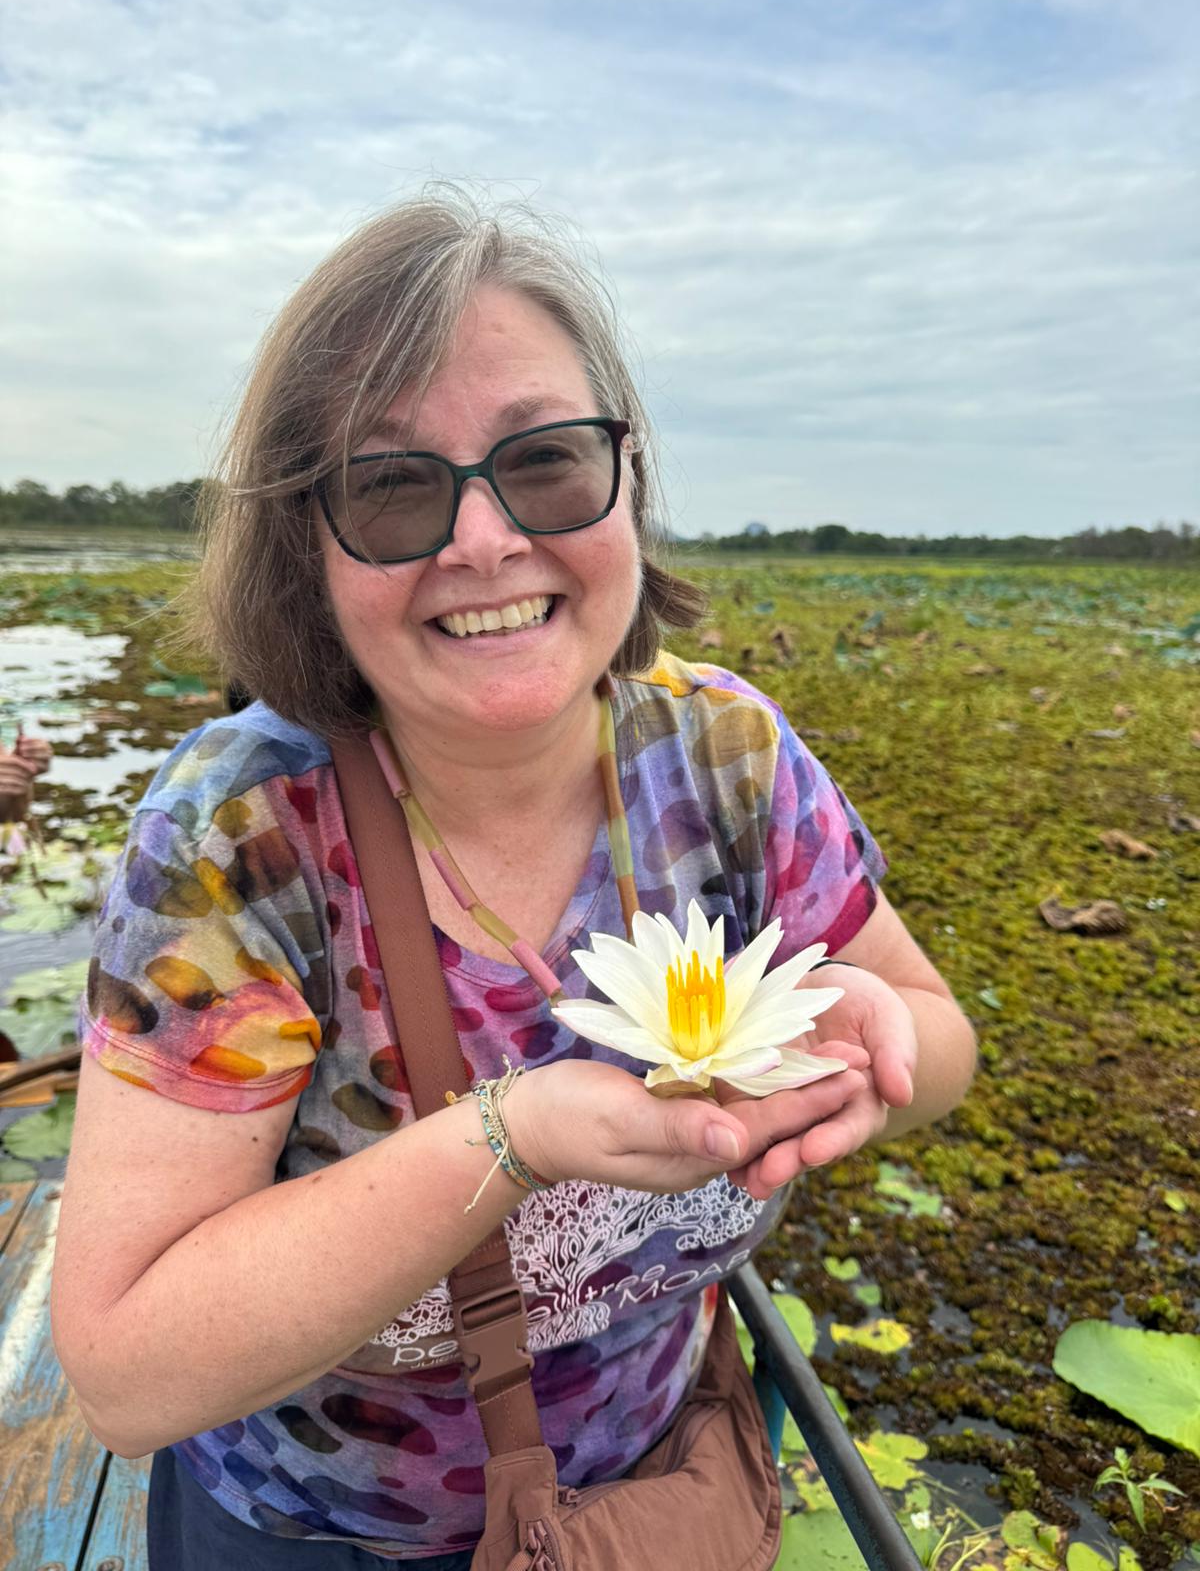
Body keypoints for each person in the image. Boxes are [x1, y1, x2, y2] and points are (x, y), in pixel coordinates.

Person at [50, 192, 976, 1569]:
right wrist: (510, 1135)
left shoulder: (726, 758)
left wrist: (870, 1040)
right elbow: (125, 1371)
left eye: (543, 462)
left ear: (626, 480)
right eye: (393, 485)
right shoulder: (240, 834)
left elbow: (932, 1029)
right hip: (321, 1536)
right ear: (307, 544)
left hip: (664, 1492)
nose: (483, 543)